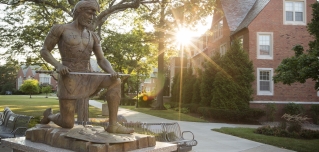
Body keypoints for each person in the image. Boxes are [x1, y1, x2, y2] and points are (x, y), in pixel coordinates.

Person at [39, 0, 134, 134]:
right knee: (67, 123)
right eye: (89, 13)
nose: (92, 17)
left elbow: (101, 59)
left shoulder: (93, 36)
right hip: (68, 78)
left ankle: (113, 125)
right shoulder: (60, 29)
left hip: (88, 76)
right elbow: (44, 50)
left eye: (94, 14)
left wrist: (111, 71)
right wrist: (58, 65)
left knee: (115, 81)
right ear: (79, 11)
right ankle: (49, 116)